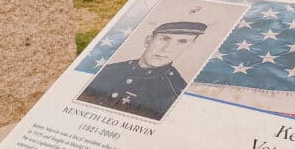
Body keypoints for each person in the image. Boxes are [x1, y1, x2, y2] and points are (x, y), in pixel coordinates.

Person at [78, 21, 207, 121]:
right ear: (149, 41)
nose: (166, 49)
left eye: (182, 42)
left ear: (189, 47)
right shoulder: (109, 69)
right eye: (164, 39)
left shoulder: (175, 91)